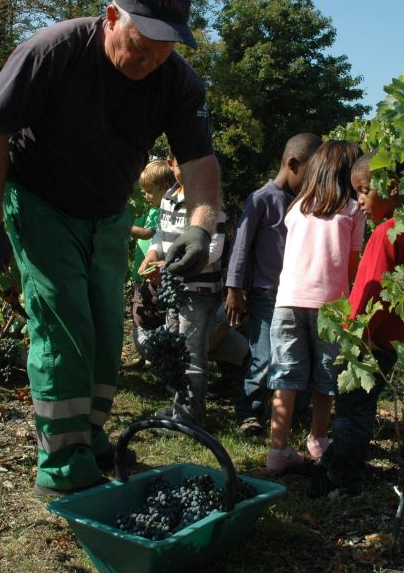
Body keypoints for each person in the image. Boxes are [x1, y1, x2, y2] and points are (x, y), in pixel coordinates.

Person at [0, 0, 222, 497]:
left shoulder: (177, 82)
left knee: (106, 333)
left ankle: (89, 435)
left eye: (166, 48)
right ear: (112, 17)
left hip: (108, 214)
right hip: (40, 202)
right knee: (64, 325)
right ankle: (62, 466)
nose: (153, 58)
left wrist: (200, 229)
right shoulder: (53, 50)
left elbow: (200, 162)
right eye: (143, 42)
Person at [311, 152, 404, 495]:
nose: (359, 201)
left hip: (367, 342)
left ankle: (343, 479)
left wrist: (354, 334)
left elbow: (371, 291)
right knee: (361, 410)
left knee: (351, 413)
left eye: (364, 191)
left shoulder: (385, 233)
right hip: (389, 340)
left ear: (391, 187)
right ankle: (341, 468)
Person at [265, 141, 365, 473]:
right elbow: (351, 269)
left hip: (287, 301)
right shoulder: (353, 211)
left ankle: (277, 451)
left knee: (286, 376)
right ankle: (317, 440)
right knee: (326, 379)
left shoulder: (297, 208)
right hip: (330, 307)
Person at [224, 133, 322, 435]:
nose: (312, 184)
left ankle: (295, 415)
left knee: (297, 358)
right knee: (264, 356)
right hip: (266, 295)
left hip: (297, 296)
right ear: (292, 164)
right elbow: (241, 246)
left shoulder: (305, 204)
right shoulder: (261, 199)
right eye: (310, 176)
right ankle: (249, 411)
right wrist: (234, 288)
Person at [139, 155, 228, 429]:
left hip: (198, 290)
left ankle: (191, 417)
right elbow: (159, 236)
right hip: (175, 287)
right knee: (177, 349)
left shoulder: (210, 201)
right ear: (170, 163)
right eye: (180, 163)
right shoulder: (168, 197)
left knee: (192, 354)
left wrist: (170, 266)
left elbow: (214, 249)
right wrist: (153, 255)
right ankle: (181, 407)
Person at [128, 160, 177, 360]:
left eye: (149, 191)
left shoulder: (162, 211)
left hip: (156, 273)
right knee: (141, 311)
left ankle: (156, 355)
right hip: (145, 269)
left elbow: (148, 233)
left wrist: (121, 225)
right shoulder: (154, 209)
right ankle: (147, 355)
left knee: (149, 313)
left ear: (165, 188)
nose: (146, 196)